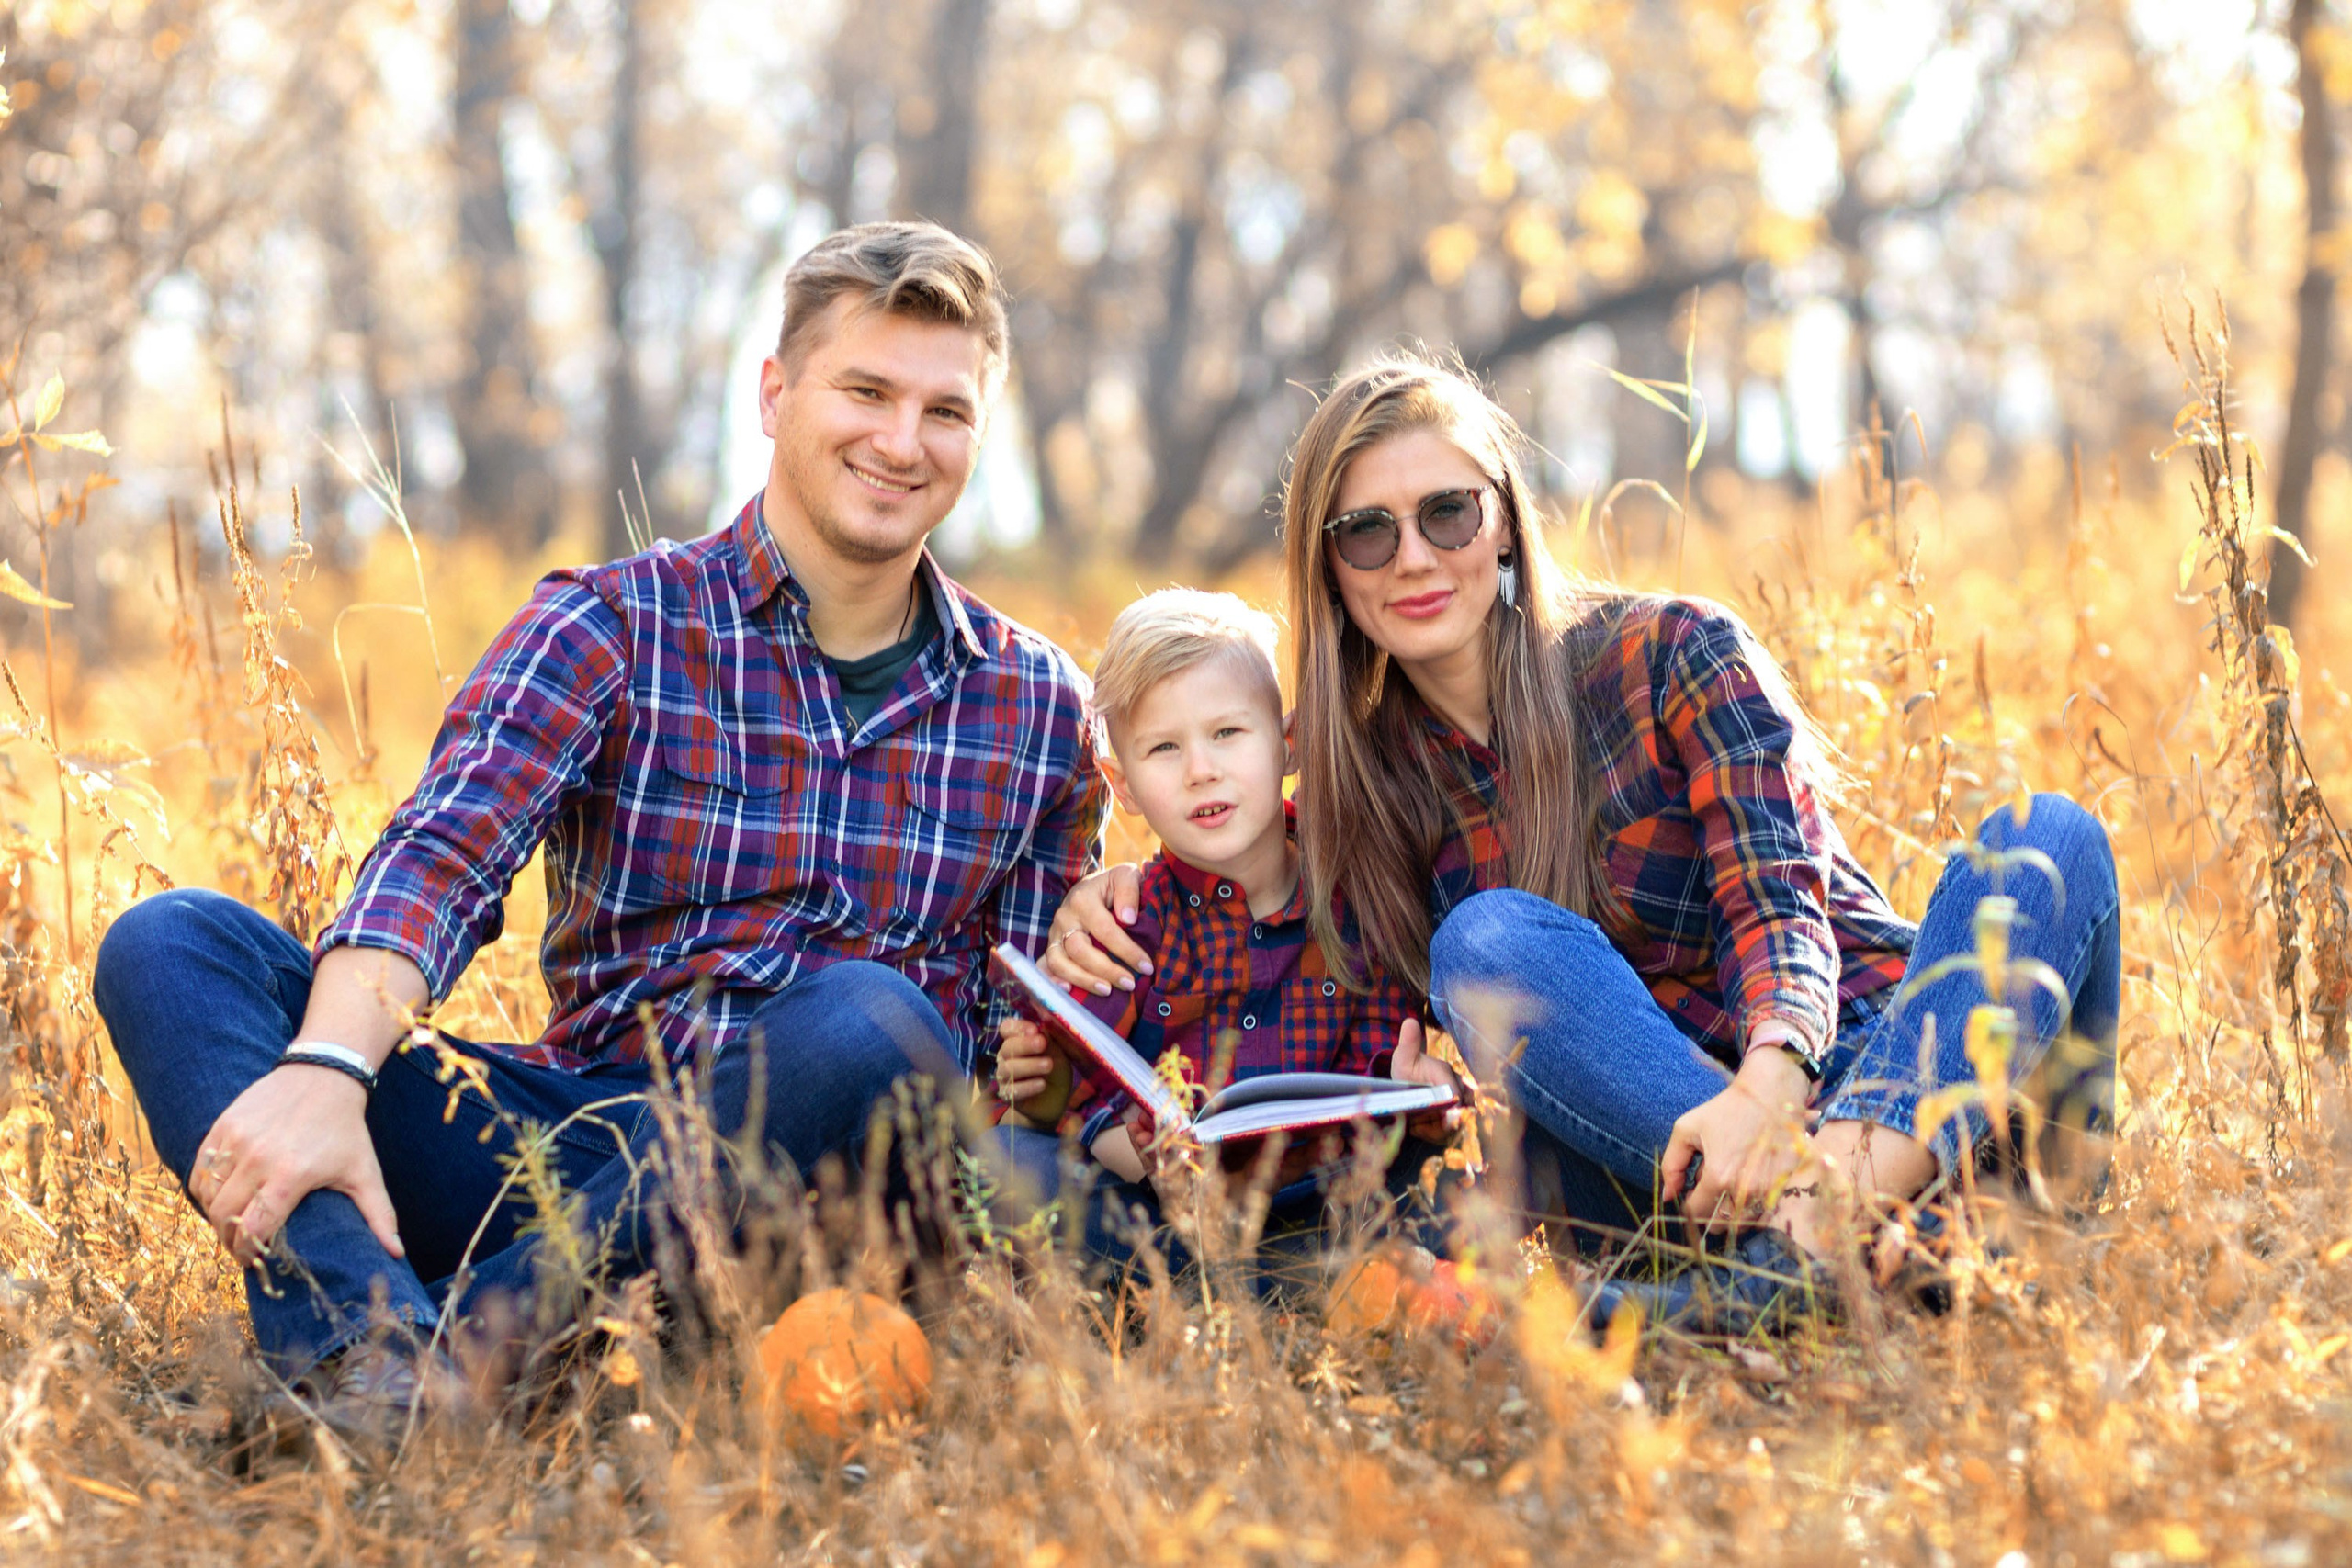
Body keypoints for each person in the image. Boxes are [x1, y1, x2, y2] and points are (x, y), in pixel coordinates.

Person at [91, 221, 1107, 1432]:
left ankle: (458, 1370)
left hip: (833, 1195)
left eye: (946, 410)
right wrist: (326, 1069)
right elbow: (446, 853)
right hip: (573, 1134)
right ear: (775, 395)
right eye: (868, 390)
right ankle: (367, 1355)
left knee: (873, 1019)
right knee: (175, 941)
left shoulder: (1037, 701)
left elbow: (1013, 1059)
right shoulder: (614, 622)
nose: (903, 441)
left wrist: (1081, 1063)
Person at [1047, 352, 2119, 1334]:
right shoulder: (1364, 787)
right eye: (1367, 532)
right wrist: (1123, 888)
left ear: (1504, 522)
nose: (1412, 556)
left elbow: (1778, 903)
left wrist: (1773, 1078)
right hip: (1672, 1163)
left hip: (1897, 1084)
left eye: (1448, 514)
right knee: (1487, 943)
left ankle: (1796, 1251)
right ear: (1330, 569)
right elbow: (1256, 875)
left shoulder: (1668, 651)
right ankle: (1852, 1253)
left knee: (2044, 837)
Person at [989, 590, 1448, 1271]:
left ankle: (1308, 1277)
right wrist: (1144, 1156)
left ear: (1286, 745)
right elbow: (1083, 1077)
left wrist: (1411, 1087)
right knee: (1011, 1168)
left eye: (1228, 733)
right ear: (1126, 786)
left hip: (1328, 1194)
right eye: (1164, 748)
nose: (1201, 769)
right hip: (1170, 1210)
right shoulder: (1127, 922)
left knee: (1444, 1197)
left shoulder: (1357, 895)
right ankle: (1252, 1287)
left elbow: (1384, 1056)